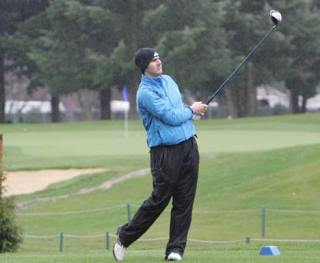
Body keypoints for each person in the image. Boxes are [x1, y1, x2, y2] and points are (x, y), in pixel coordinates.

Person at [113, 48, 208, 261]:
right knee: (159, 200)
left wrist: (195, 114)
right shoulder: (145, 93)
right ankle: (124, 237)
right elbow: (170, 116)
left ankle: (175, 250)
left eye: (158, 58)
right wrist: (192, 110)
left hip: (189, 146)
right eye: (153, 60)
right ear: (144, 66)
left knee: (184, 201)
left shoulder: (169, 81)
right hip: (165, 153)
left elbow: (178, 109)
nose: (158, 62)